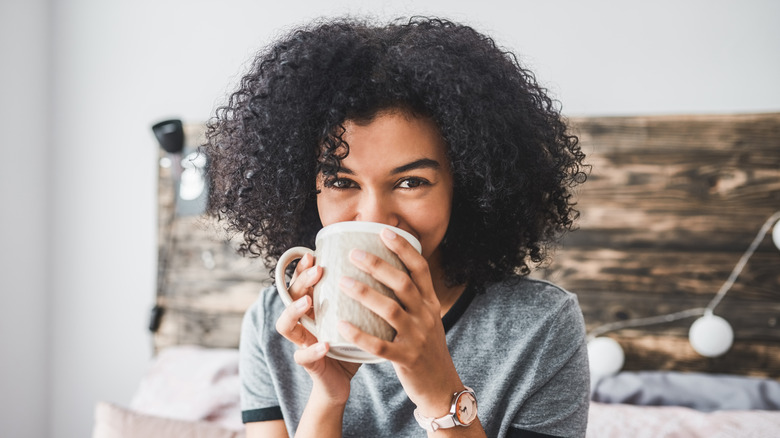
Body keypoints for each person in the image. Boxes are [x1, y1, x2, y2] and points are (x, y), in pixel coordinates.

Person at [204, 16, 590, 438]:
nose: (373, 216)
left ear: (466, 185)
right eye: (340, 181)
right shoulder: (275, 323)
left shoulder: (539, 327)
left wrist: (439, 391)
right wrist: (327, 398)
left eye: (410, 182)